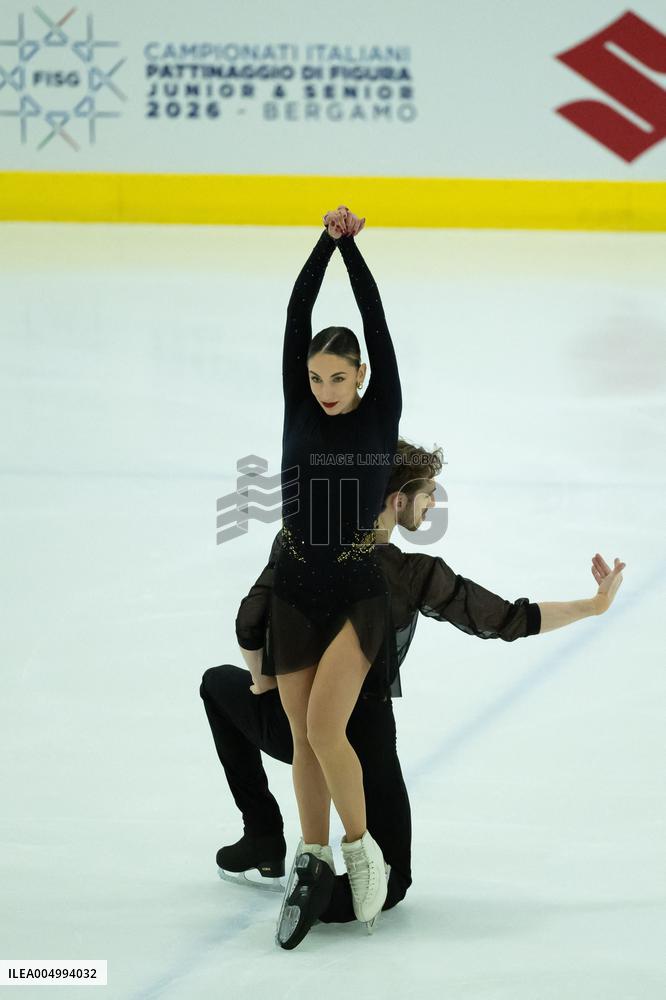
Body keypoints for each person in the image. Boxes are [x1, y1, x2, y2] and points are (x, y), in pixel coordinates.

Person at [201, 438, 626, 948]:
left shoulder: (301, 543)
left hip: (296, 731)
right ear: (398, 499)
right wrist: (593, 606)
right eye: (429, 495)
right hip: (368, 744)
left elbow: (250, 619)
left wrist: (263, 682)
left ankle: (264, 833)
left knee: (218, 685)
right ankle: (323, 895)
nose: (432, 506)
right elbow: (507, 620)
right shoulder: (409, 575)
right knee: (391, 880)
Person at [262, 204, 402, 939]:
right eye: (316, 376)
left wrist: (350, 252)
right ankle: (309, 856)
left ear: (361, 376)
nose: (323, 388)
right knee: (298, 734)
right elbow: (296, 316)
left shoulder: (380, 416)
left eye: (338, 377)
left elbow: (376, 324)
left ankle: (359, 847)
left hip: (355, 591)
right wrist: (320, 243)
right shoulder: (297, 403)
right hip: (295, 587)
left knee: (324, 726)